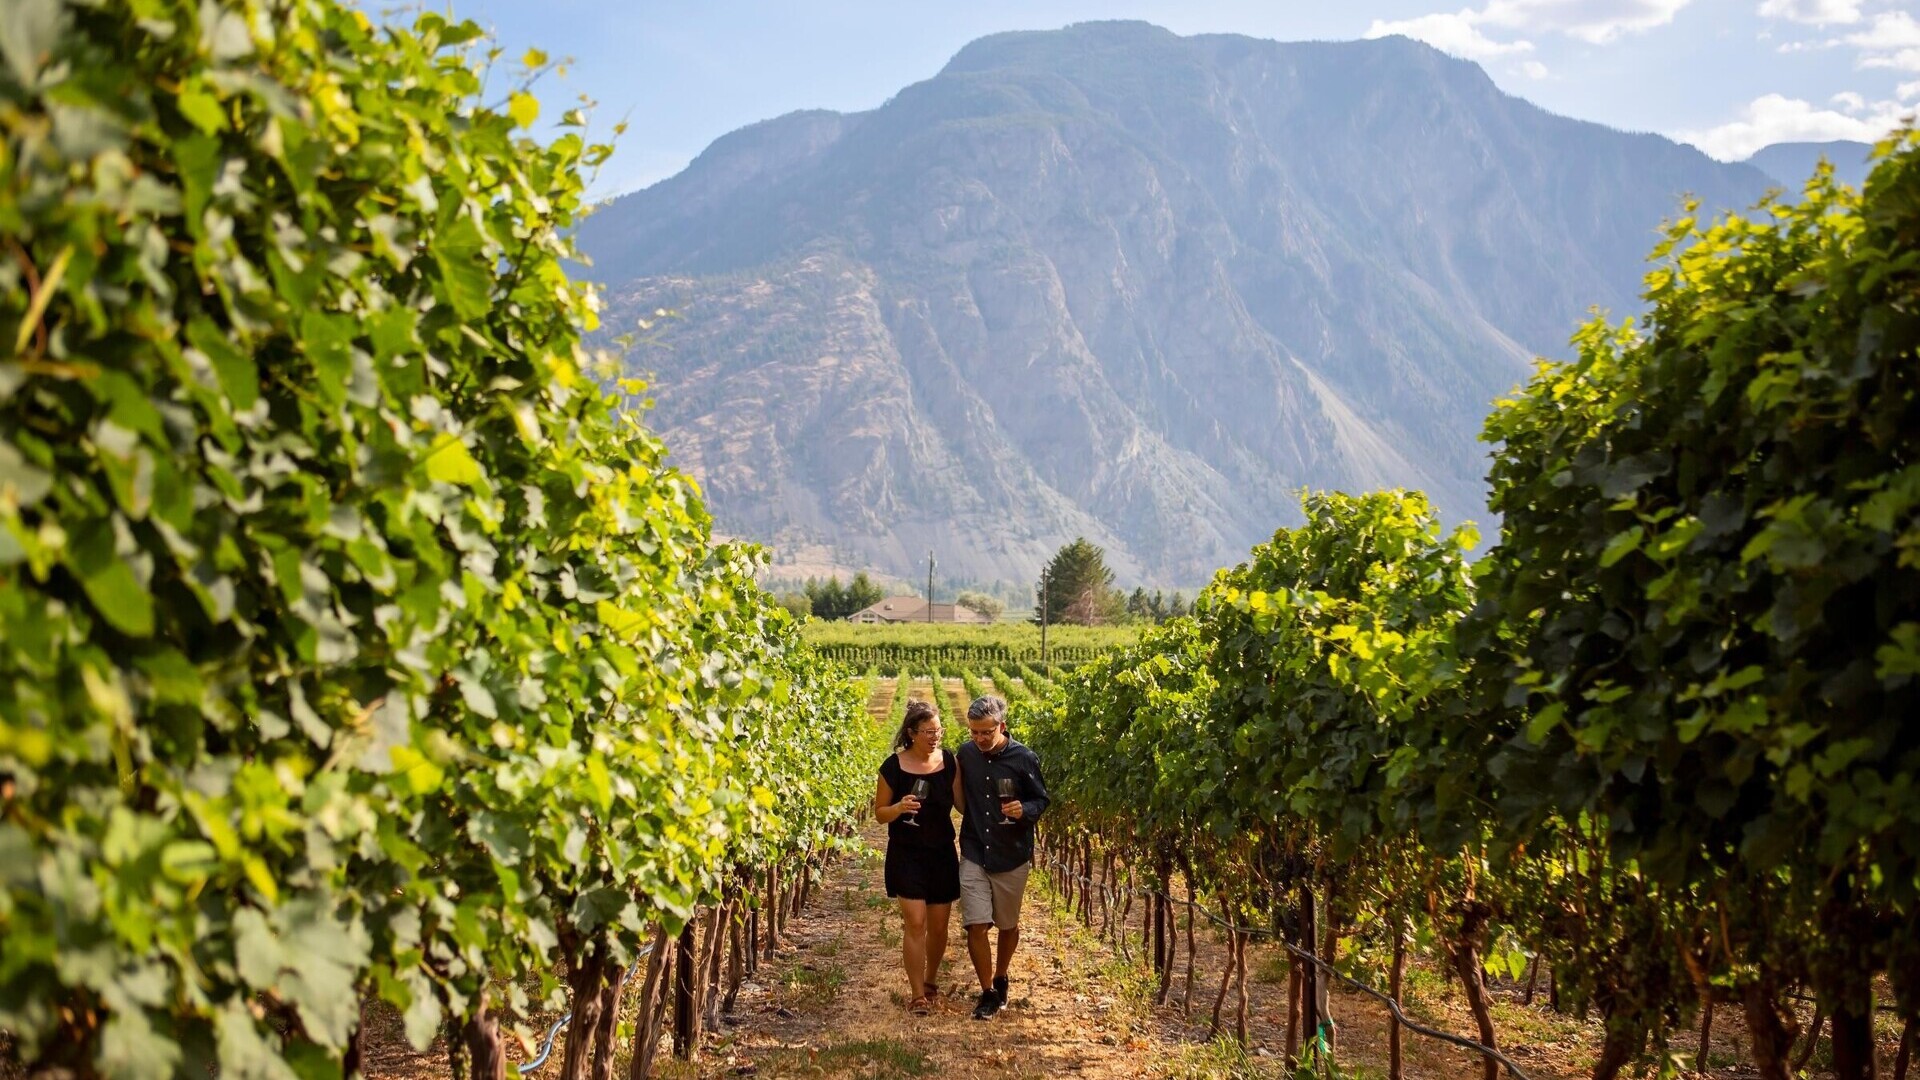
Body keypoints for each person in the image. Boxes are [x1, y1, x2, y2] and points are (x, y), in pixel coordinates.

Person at [953, 694, 1050, 1020]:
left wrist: (1024, 809)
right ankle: (988, 993)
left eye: (986, 732)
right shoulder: (965, 754)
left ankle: (1001, 975)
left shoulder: (1024, 758)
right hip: (975, 850)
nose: (979, 739)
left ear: (1002, 726)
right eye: (974, 732)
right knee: (976, 925)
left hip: (1012, 854)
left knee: (1008, 926)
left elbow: (1041, 800)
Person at [872, 699, 960, 1015]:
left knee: (938, 927)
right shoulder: (893, 766)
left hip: (942, 853)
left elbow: (962, 804)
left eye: (938, 730)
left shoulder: (950, 762)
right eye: (928, 731)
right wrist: (898, 809)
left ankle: (931, 979)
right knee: (916, 923)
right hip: (906, 854)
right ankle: (917, 993)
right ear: (911, 733)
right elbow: (880, 813)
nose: (935, 736)